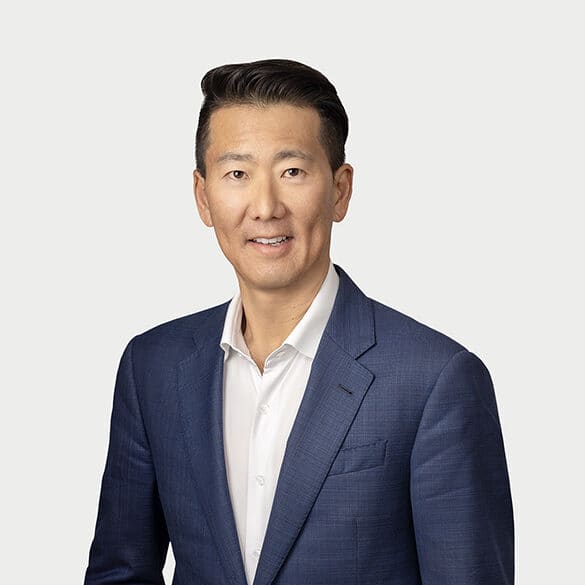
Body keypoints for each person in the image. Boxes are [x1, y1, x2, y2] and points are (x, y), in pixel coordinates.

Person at [84, 58, 514, 585]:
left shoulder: (435, 380)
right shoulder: (152, 366)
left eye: (292, 171)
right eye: (237, 174)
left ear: (340, 190)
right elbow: (119, 573)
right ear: (203, 196)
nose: (265, 207)